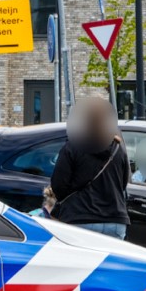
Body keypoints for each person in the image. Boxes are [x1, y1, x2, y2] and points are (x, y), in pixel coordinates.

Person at [50, 96, 130, 239]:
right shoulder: (118, 148)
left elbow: (58, 186)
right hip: (115, 220)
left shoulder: (72, 148)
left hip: (79, 218)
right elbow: (123, 183)